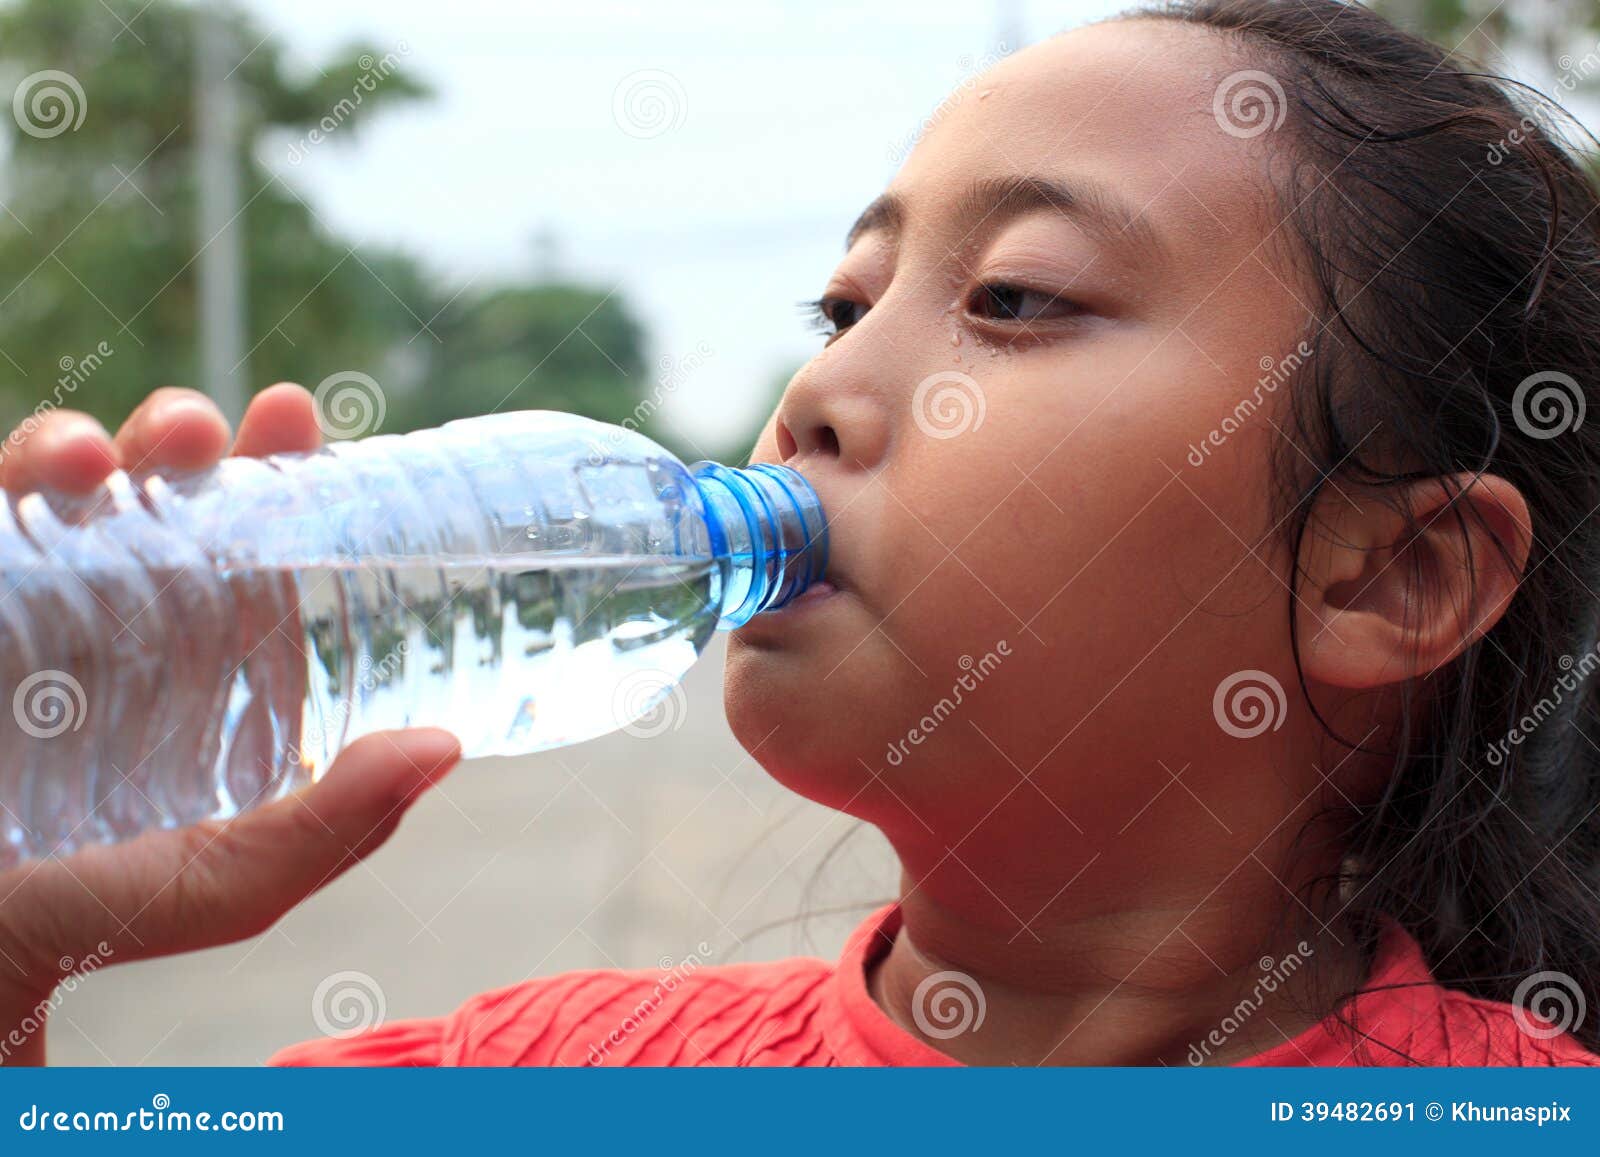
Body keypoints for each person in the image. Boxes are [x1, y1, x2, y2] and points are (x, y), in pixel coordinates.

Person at [3, 0, 1600, 1066]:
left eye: (1016, 299)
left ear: (1394, 571)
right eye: (839, 304)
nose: (825, 384)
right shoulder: (536, 1076)